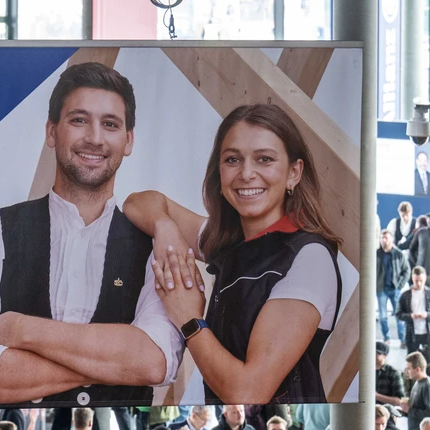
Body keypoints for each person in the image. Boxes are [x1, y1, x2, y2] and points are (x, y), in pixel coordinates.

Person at [0, 62, 182, 406]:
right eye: (79, 120)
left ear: (128, 141)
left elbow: (154, 360)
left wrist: (19, 330)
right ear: (52, 131)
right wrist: (118, 361)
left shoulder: (156, 246)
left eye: (110, 124)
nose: (95, 138)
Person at [127, 103, 343, 402]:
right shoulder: (227, 243)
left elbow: (249, 390)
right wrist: (165, 228)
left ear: (294, 172)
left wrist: (189, 320)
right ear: (219, 170)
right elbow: (137, 202)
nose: (246, 173)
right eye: (233, 159)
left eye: (264, 159)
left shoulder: (309, 258)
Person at [380, 228, 413, 347]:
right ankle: (386, 339)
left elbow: (407, 271)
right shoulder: (377, 254)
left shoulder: (398, 254)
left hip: (394, 289)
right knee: (383, 316)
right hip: (381, 290)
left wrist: (399, 285)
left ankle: (402, 339)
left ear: (391, 240)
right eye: (382, 238)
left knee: (398, 315)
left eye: (386, 238)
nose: (384, 240)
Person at [397, 267, 430, 357]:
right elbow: (398, 314)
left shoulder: (429, 294)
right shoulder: (405, 295)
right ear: (412, 278)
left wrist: (426, 315)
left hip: (427, 332)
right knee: (411, 359)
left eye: (421, 281)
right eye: (416, 281)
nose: (419, 283)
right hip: (411, 333)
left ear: (425, 279)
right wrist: (410, 316)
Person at [402, 352, 430, 430]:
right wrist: (405, 410)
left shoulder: (427, 386)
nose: (407, 372)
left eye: (409, 369)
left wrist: (409, 410)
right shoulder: (417, 382)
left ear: (417, 369)